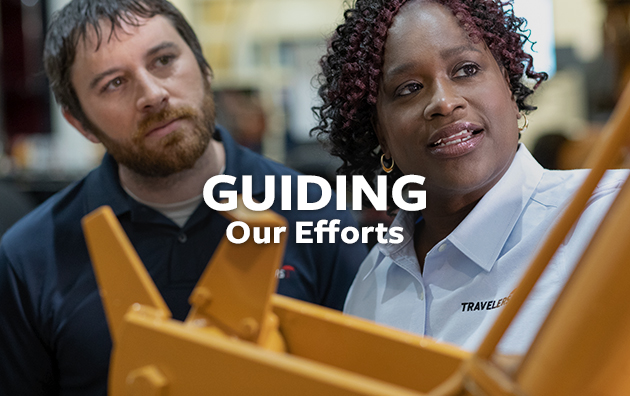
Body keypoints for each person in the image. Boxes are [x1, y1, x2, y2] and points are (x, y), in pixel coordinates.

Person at [0, 0, 366, 394]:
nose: (153, 94)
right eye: (114, 83)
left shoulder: (317, 212)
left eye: (163, 60)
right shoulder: (29, 258)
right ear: (80, 122)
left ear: (204, 68)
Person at [313, 0, 628, 355]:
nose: (444, 102)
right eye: (408, 88)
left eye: (466, 69)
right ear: (380, 133)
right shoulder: (373, 282)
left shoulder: (607, 220)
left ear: (509, 87)